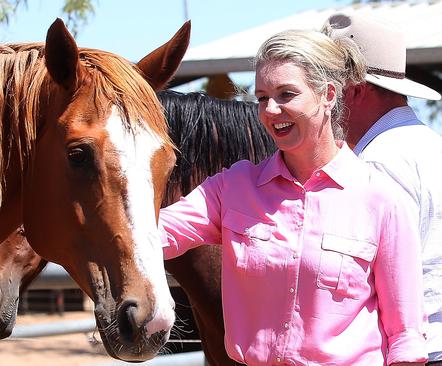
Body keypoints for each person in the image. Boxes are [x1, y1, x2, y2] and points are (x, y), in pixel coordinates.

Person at [158, 28, 428, 365]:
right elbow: (151, 235)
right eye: (261, 97)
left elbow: (405, 336)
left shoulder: (382, 200)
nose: (270, 109)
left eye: (286, 94)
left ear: (329, 95)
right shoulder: (233, 187)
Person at [322, 13, 442, 365]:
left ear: (354, 90)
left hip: (411, 349)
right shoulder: (429, 144)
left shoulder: (375, 163)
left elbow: (364, 276)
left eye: (327, 87)